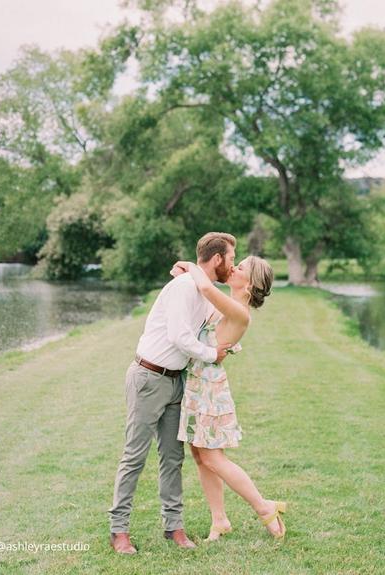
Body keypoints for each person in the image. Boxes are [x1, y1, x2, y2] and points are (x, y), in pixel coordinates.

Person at [108, 232, 236, 554]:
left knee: (173, 458)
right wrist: (212, 355)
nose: (232, 264)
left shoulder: (204, 290)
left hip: (178, 381)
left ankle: (174, 527)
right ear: (217, 258)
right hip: (149, 378)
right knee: (135, 456)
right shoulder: (182, 288)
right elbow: (180, 337)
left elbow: (207, 330)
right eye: (231, 258)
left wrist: (226, 344)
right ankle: (118, 531)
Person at [171, 255, 288, 542]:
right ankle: (219, 520)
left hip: (209, 389)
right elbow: (199, 302)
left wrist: (190, 265)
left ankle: (264, 508)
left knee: (213, 457)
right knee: (200, 456)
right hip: (197, 384)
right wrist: (183, 277)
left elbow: (206, 289)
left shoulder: (239, 311)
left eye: (241, 267)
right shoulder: (226, 304)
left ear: (250, 284)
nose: (234, 268)